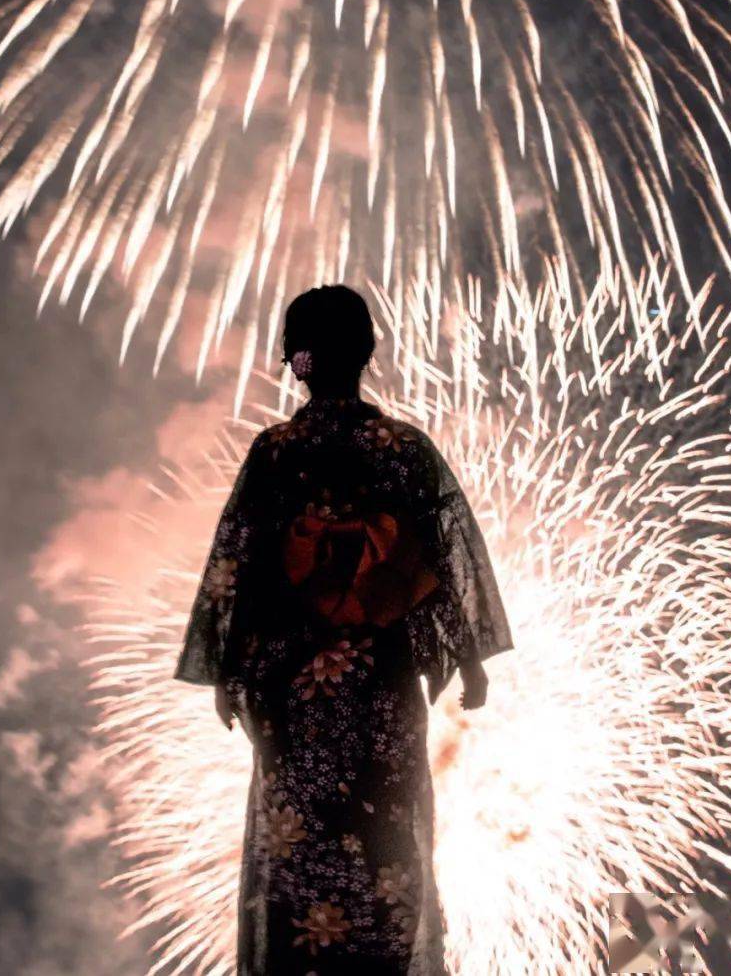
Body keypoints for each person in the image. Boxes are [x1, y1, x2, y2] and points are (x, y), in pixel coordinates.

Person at [175, 283, 513, 973]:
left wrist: (229, 666)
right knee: (388, 845)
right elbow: (449, 560)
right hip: (378, 690)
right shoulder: (404, 449)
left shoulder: (275, 453)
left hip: (293, 694)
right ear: (368, 352)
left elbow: (237, 564)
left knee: (293, 850)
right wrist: (470, 659)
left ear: (296, 361)